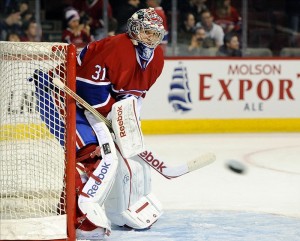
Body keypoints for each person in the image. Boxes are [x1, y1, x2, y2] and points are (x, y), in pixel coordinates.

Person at [29, 7, 165, 240]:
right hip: (61, 96)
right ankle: (80, 219)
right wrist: (113, 126)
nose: (151, 38)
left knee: (125, 157)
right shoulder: (115, 49)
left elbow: (133, 99)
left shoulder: (157, 59)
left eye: (155, 34)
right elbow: (91, 96)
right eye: (146, 32)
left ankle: (112, 209)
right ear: (133, 29)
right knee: (93, 155)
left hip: (88, 106)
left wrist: (126, 128)